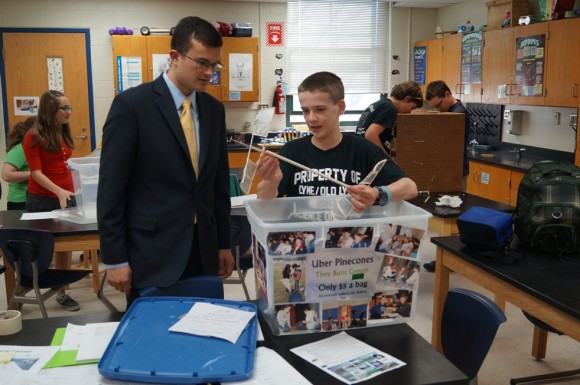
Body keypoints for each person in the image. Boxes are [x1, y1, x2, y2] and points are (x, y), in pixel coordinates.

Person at [97, 16, 234, 307]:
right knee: (153, 338)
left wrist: (224, 242)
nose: (210, 72)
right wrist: (114, 257)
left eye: (214, 65)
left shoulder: (213, 110)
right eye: (202, 63)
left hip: (203, 248)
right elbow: (111, 190)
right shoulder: (132, 106)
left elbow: (218, 185)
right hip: (152, 252)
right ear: (174, 57)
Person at [256, 71, 418, 212]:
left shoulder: (362, 149)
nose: (311, 118)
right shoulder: (291, 151)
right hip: (303, 242)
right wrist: (272, 180)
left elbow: (410, 187)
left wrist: (378, 194)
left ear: (340, 107)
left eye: (320, 109)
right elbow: (264, 200)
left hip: (350, 242)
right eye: (305, 110)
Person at [22, 90, 79, 311]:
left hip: (66, 195)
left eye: (69, 107)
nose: (69, 112)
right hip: (44, 199)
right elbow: (36, 173)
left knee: (66, 248)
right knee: (44, 248)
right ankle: (32, 286)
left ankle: (62, 292)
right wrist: (59, 191)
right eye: (64, 108)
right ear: (49, 110)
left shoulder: (62, 132)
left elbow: (61, 162)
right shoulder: (34, 135)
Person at [423, 80, 471, 273]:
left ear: (447, 94)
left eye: (438, 105)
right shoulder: (450, 112)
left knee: (451, 217)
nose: (438, 110)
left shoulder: (459, 113)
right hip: (448, 169)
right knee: (446, 216)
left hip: (455, 171)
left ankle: (450, 260)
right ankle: (446, 258)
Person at [355, 81, 424, 155]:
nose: (410, 111)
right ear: (407, 99)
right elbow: (370, 135)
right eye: (412, 107)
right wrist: (386, 159)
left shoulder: (380, 104)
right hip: (365, 158)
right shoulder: (389, 109)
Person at [2, 117, 36, 210]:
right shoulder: (20, 149)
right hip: (20, 201)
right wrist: (35, 174)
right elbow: (6, 175)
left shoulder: (36, 148)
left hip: (34, 198)